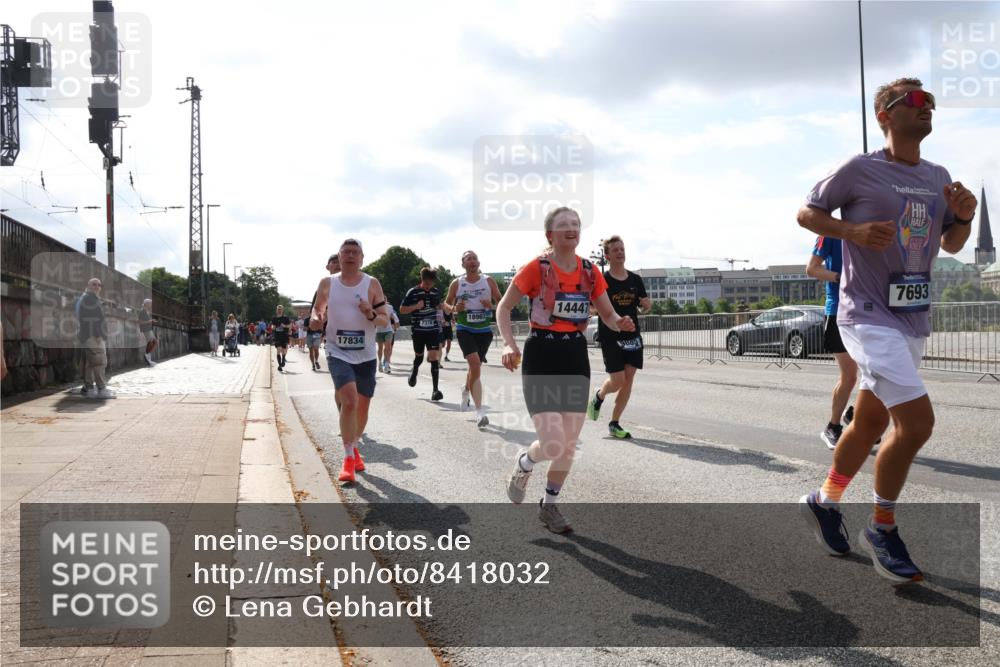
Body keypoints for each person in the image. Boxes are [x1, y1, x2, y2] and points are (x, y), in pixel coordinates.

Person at [797, 78, 976, 584]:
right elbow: (806, 212)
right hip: (867, 314)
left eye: (931, 103)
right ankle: (882, 526)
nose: (927, 108)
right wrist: (850, 231)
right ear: (885, 115)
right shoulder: (860, 168)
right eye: (915, 102)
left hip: (912, 319)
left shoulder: (939, 176)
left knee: (871, 422)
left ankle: (824, 501)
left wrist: (962, 218)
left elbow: (956, 244)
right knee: (916, 425)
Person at [498, 207, 635, 533]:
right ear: (550, 235)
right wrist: (507, 344)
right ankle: (525, 462)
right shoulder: (536, 269)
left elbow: (607, 314)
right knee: (553, 443)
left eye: (575, 224)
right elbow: (504, 307)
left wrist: (620, 322)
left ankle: (550, 506)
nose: (571, 228)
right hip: (541, 356)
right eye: (563, 225)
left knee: (568, 444)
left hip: (574, 356)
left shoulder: (590, 272)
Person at [309, 238, 389, 483]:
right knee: (350, 401)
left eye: (355, 252)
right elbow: (317, 309)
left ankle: (354, 448)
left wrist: (371, 313)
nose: (351, 256)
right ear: (340, 257)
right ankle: (347, 459)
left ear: (362, 258)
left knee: (362, 406)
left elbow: (384, 320)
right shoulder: (327, 284)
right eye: (346, 252)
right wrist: (316, 318)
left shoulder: (371, 284)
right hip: (337, 351)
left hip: (365, 354)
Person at [586, 236, 651, 439]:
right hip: (610, 335)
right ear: (607, 256)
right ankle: (600, 395)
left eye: (622, 249)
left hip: (632, 335)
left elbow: (644, 305)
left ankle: (614, 423)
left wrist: (647, 305)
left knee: (629, 377)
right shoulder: (602, 280)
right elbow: (592, 306)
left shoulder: (635, 280)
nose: (620, 252)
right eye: (615, 250)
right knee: (617, 380)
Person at [445, 250, 503, 428]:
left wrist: (491, 305)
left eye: (474, 258)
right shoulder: (457, 283)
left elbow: (502, 303)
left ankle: (466, 389)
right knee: (475, 365)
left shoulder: (488, 281)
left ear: (478, 262)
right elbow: (446, 306)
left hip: (484, 331)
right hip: (465, 329)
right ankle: (480, 412)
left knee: (474, 367)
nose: (472, 261)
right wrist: (455, 308)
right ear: (463, 264)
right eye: (468, 259)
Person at [400, 267, 445, 401]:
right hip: (418, 331)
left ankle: (435, 391)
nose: (429, 286)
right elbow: (402, 310)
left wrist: (440, 307)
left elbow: (438, 305)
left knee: (434, 358)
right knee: (419, 357)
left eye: (431, 283)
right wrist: (415, 307)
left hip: (432, 331)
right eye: (427, 283)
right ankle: (414, 371)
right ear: (422, 280)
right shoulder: (413, 292)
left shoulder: (435, 292)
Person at [76, 277, 114, 399]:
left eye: (99, 285)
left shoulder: (88, 298)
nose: (97, 286)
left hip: (86, 335)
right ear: (88, 285)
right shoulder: (89, 299)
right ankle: (102, 389)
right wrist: (98, 335)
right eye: (94, 284)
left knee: (90, 363)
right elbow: (91, 319)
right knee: (99, 362)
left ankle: (89, 389)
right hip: (93, 336)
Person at [308, 254, 341, 371]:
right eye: (334, 262)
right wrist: (317, 319)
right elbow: (315, 312)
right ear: (328, 267)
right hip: (333, 340)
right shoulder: (323, 288)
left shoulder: (357, 285)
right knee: (342, 381)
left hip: (359, 341)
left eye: (340, 261)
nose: (338, 264)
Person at [376, 304, 400, 373]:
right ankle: (380, 362)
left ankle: (386, 364)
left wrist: (397, 322)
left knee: (388, 347)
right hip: (379, 331)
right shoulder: (375, 307)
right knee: (380, 348)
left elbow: (394, 315)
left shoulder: (390, 307)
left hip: (388, 330)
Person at [138, 298, 158, 366]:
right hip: (145, 330)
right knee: (151, 343)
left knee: (154, 342)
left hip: (149, 329)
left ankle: (148, 358)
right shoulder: (142, 311)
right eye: (150, 303)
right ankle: (148, 359)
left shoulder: (147, 311)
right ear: (146, 304)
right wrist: (150, 321)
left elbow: (147, 321)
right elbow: (140, 322)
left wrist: (152, 321)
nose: (151, 305)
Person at [271, 305, 292, 371]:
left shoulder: (286, 318)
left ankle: (283, 359)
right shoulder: (274, 318)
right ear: (276, 310)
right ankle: (279, 365)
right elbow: (273, 326)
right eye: (278, 309)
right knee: (278, 350)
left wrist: (285, 326)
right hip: (277, 336)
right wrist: (273, 327)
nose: (279, 310)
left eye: (280, 309)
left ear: (282, 310)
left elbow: (290, 325)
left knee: (284, 350)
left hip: (284, 336)